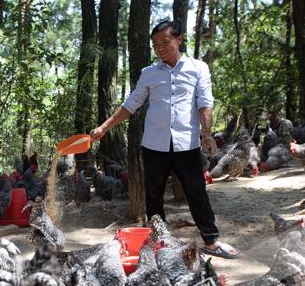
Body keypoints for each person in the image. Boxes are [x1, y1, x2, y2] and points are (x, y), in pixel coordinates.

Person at [90, 20, 240, 259]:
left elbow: (205, 103)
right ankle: (159, 245)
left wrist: (207, 133)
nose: (160, 48)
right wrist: (104, 128)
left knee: (197, 193)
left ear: (179, 39)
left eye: (165, 42)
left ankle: (211, 242)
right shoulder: (149, 73)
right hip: (154, 145)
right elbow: (131, 105)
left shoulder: (198, 68)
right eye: (155, 44)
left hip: (187, 145)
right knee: (154, 197)